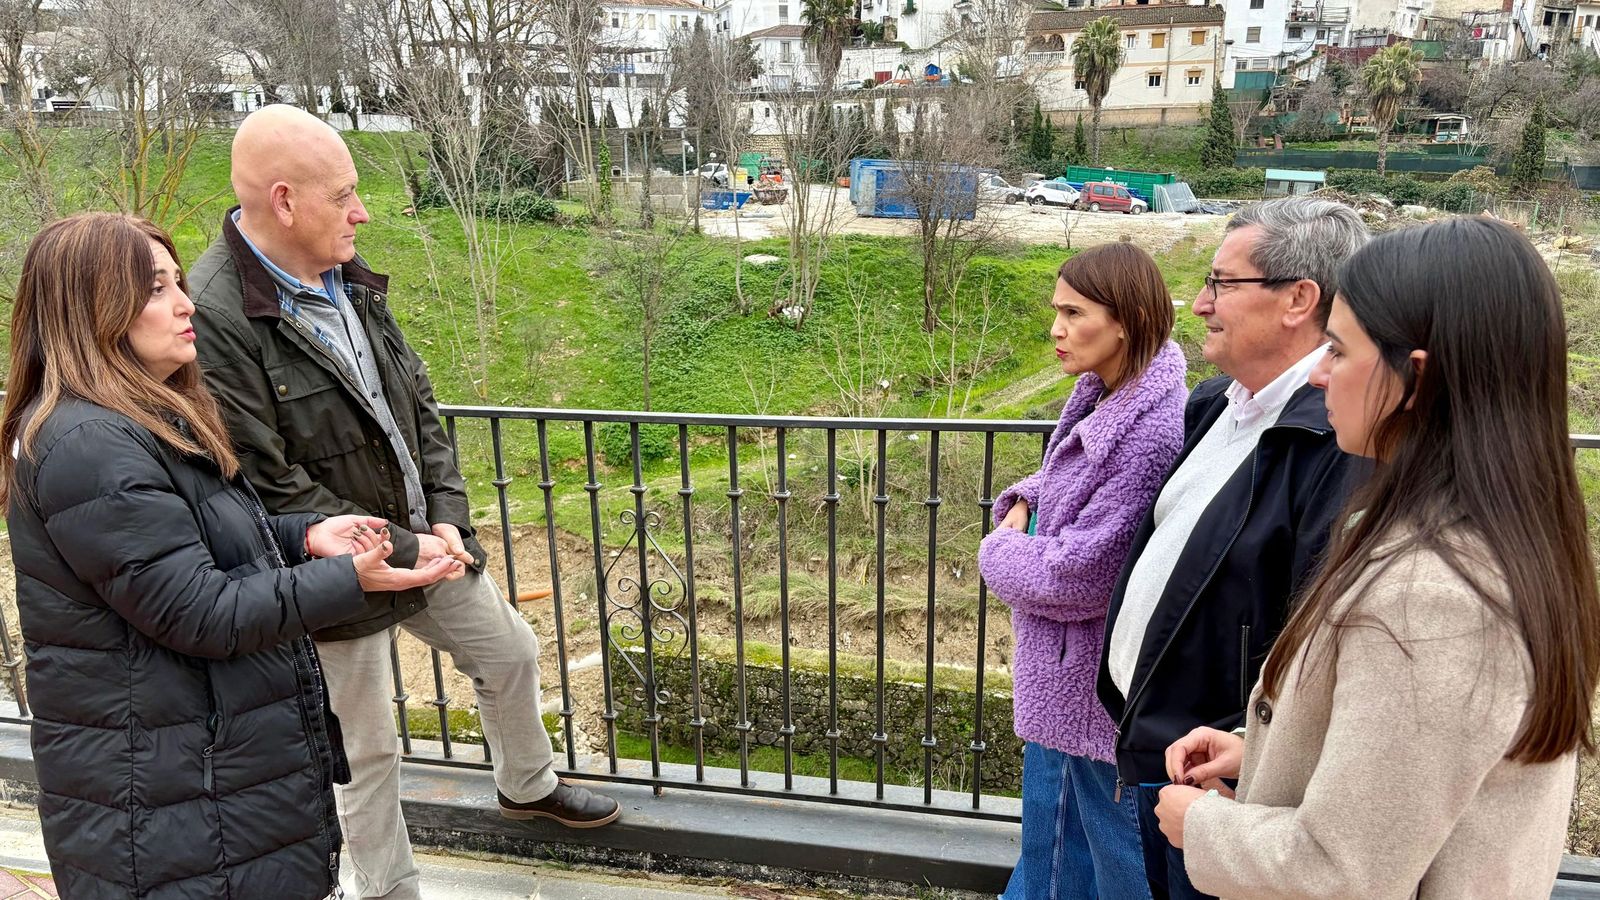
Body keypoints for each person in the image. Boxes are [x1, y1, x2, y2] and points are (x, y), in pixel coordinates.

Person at [188, 105, 619, 900]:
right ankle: (390, 890)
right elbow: (269, 483)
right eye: (344, 195)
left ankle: (526, 786)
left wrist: (446, 518)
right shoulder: (216, 314)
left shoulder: (341, 269)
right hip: (334, 573)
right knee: (366, 750)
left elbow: (416, 405)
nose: (362, 212)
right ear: (285, 202)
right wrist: (409, 547)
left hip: (423, 541)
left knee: (510, 652)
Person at [0, 212, 463, 899]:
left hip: (203, 780)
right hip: (173, 800)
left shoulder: (137, 420)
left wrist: (304, 537)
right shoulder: (89, 446)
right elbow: (200, 612)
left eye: (178, 282)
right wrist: (349, 578)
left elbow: (189, 547)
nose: (186, 304)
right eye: (155, 289)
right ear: (91, 308)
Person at [1154, 215, 1600, 898]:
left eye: (1337, 350)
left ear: (1415, 380)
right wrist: (1268, 751)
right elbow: (1421, 784)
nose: (1318, 375)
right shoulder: (1496, 541)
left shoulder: (1433, 598)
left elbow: (1347, 872)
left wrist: (1203, 826)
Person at [1095, 196, 1369, 899]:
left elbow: (1318, 639)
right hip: (1170, 751)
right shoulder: (1217, 404)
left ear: (1298, 299)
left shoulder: (1337, 440)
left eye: (1222, 283)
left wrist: (1246, 755)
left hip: (1230, 784)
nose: (1199, 303)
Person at [980, 242, 1186, 900]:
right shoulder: (1108, 396)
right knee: (1063, 855)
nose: (1056, 329)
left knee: (1082, 866)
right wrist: (1024, 500)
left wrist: (998, 549)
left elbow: (1082, 574)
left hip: (1089, 692)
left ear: (1126, 320)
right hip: (1071, 680)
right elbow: (1065, 484)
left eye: (1074, 314)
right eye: (1056, 311)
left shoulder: (1148, 432)